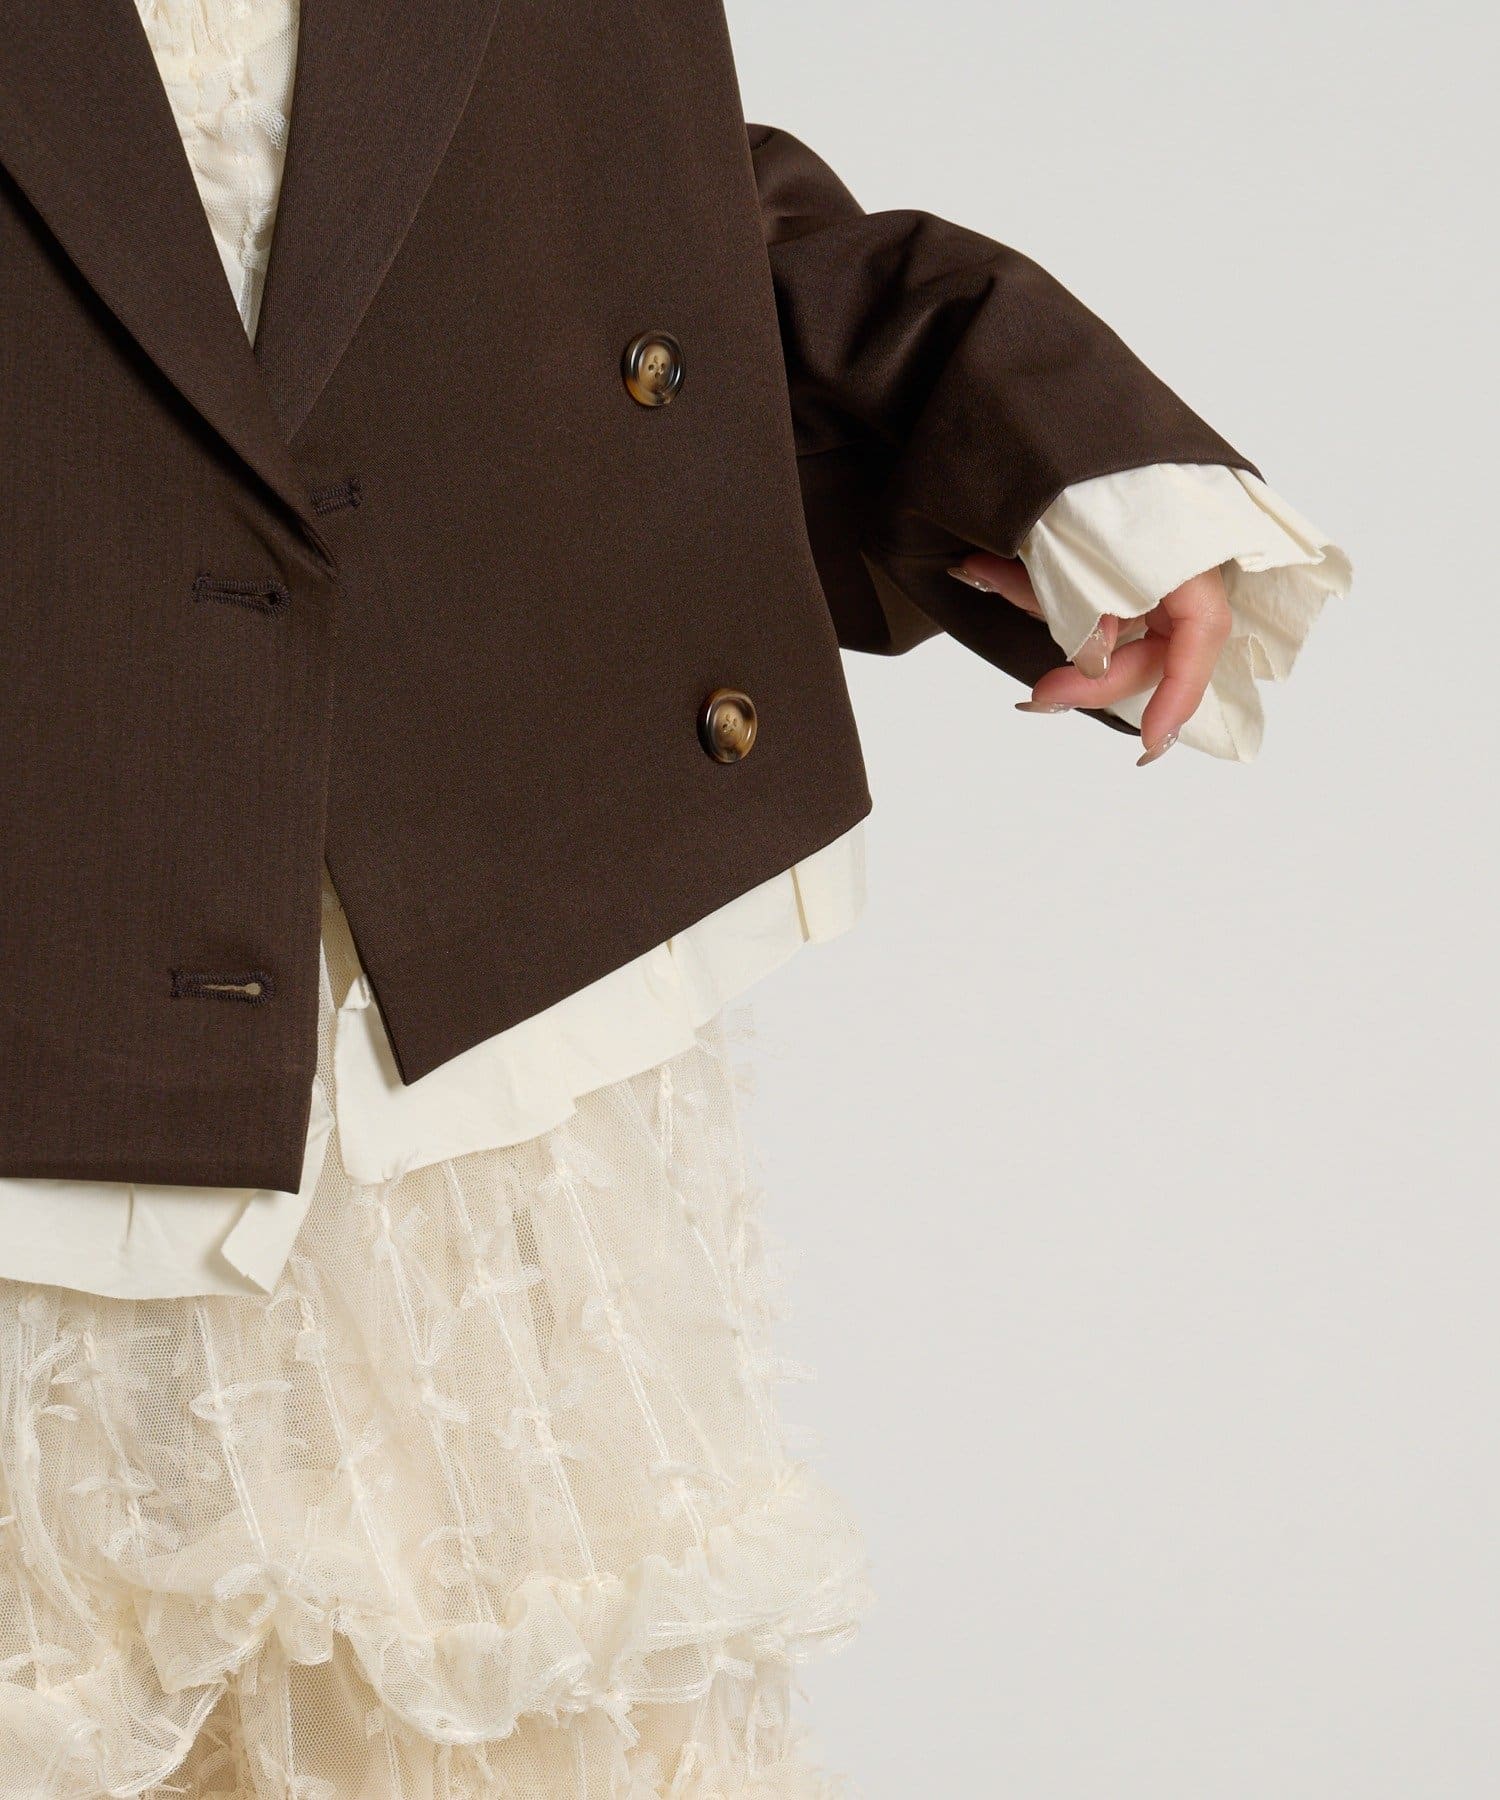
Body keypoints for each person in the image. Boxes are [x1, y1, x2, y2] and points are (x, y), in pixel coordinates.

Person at [0, 1, 1350, 1793]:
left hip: (462, 995)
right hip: (46, 960)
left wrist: (1021, 422)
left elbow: (619, 190)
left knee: (507, 1709)